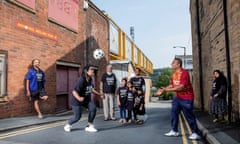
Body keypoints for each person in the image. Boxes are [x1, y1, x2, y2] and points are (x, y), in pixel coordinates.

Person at [155, 58, 200, 140]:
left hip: (187, 98)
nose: (171, 64)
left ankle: (195, 133)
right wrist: (163, 89)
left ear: (178, 64)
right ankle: (174, 131)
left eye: (173, 63)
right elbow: (171, 85)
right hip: (178, 97)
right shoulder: (174, 74)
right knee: (173, 113)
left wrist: (166, 90)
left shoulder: (184, 73)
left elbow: (181, 87)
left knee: (189, 115)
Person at [64, 65, 103, 133]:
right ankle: (68, 125)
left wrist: (99, 94)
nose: (93, 71)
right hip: (76, 100)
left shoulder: (90, 79)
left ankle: (89, 126)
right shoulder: (81, 80)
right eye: (91, 69)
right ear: (86, 71)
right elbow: (74, 91)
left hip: (86, 100)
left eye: (93, 70)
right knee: (77, 117)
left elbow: (91, 89)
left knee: (93, 108)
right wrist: (79, 98)